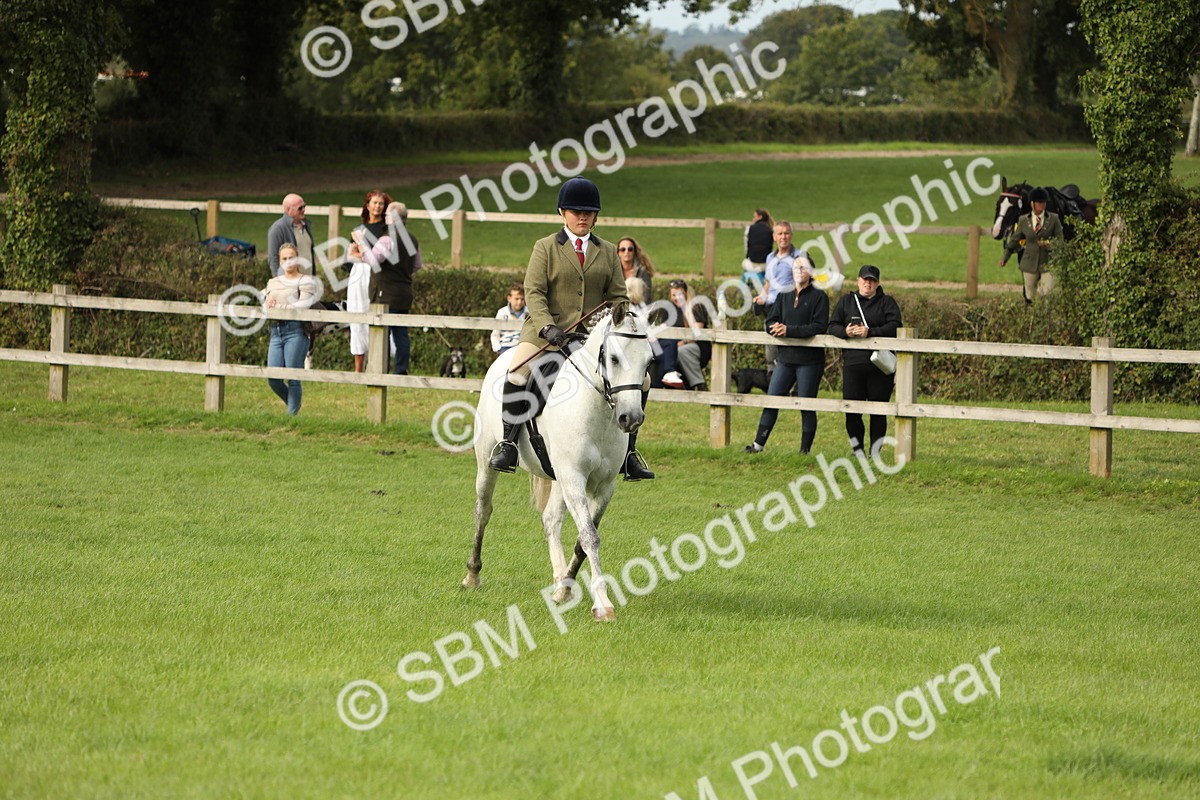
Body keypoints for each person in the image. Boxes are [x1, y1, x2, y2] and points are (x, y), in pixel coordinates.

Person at [488, 176, 653, 481]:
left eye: (588, 212)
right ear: (562, 213)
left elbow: (618, 297)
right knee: (517, 372)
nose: (582, 217)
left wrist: (616, 320)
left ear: (596, 216)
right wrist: (547, 327)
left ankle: (629, 452)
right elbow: (534, 292)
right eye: (576, 212)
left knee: (642, 380)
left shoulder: (608, 251)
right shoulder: (545, 247)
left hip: (591, 338)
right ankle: (508, 443)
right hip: (546, 334)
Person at [743, 257, 829, 455]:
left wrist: (789, 330)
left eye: (803, 267)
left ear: (811, 272)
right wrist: (774, 328)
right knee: (772, 400)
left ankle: (804, 452)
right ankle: (757, 445)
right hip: (785, 359)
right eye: (796, 266)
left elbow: (819, 326)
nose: (799, 270)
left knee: (806, 405)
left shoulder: (819, 297)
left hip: (810, 361)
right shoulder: (784, 294)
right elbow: (770, 319)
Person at [828, 264, 902, 455]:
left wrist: (870, 332)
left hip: (880, 366)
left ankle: (875, 452)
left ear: (877, 283)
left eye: (872, 280)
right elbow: (832, 325)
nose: (868, 283)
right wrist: (845, 331)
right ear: (858, 280)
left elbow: (896, 326)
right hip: (853, 364)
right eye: (864, 279)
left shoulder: (887, 302)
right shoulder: (846, 301)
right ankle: (857, 450)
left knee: (878, 411)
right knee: (852, 411)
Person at [360, 193, 423, 376]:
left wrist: (362, 246)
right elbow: (417, 265)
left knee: (382, 333)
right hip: (404, 292)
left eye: (387, 214)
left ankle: (380, 370)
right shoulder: (412, 239)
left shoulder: (387, 239)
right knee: (401, 334)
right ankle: (401, 370)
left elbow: (373, 261)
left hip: (384, 293)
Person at [262, 243, 320, 414]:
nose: (288, 261)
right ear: (280, 262)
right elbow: (265, 307)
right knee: (273, 378)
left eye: (291, 258)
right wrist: (267, 304)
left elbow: (301, 307)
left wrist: (277, 306)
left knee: (293, 377)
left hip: (296, 331)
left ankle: (291, 417)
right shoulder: (272, 282)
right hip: (276, 331)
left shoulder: (306, 281)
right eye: (284, 258)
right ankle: (293, 404)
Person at [753, 220, 809, 372]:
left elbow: (805, 283)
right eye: (780, 234)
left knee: (788, 349)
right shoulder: (770, 257)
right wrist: (761, 297)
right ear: (774, 237)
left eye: (786, 233)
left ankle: (791, 380)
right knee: (771, 350)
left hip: (789, 307)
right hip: (770, 308)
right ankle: (772, 378)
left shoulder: (799, 257)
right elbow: (768, 282)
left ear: (791, 235)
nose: (783, 237)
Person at [999, 187, 1063, 302]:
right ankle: (1032, 312)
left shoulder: (1053, 219)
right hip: (1029, 261)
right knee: (1029, 295)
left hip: (1048, 261)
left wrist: (1049, 243)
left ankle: (1045, 312)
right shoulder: (1023, 220)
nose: (1042, 205)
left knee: (1047, 292)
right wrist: (1005, 257)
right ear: (1032, 203)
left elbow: (1060, 239)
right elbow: (1014, 240)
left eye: (1044, 202)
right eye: (1039, 202)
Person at [659, 278, 711, 392]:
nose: (677, 298)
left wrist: (681, 343)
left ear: (686, 293)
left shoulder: (696, 307)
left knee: (681, 352)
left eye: (680, 294)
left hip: (698, 346)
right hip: (675, 345)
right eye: (673, 295)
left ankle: (700, 384)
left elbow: (697, 334)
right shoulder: (668, 309)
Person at [266, 194, 314, 277]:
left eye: (304, 206)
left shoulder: (305, 225)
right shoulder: (277, 229)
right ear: (288, 210)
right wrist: (279, 280)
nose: (303, 210)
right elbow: (273, 259)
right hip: (290, 281)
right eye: (300, 208)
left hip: (308, 280)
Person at [491, 283, 528, 355]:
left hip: (522, 346)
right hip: (505, 347)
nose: (519, 302)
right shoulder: (502, 312)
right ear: (509, 298)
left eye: (522, 299)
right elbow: (495, 334)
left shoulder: (528, 312)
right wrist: (498, 349)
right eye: (516, 299)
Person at [742, 208, 774, 287]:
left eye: (754, 217)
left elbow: (747, 247)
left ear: (760, 217)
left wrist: (748, 256)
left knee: (745, 264)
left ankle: (744, 287)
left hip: (753, 261)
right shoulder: (771, 229)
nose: (753, 219)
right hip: (766, 262)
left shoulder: (750, 228)